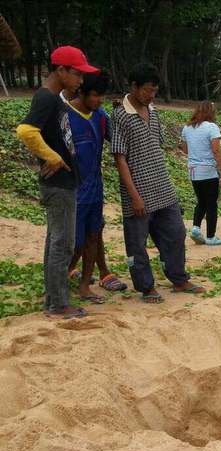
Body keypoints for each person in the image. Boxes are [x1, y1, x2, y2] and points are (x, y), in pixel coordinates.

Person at [111, 62, 205, 304]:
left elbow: (157, 147)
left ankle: (179, 278)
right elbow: (120, 159)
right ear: (134, 86)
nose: (151, 95)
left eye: (154, 91)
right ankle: (146, 287)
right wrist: (134, 195)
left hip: (162, 187)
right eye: (147, 90)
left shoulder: (152, 110)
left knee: (175, 233)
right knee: (137, 243)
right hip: (138, 191)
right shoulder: (120, 115)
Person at [16, 45, 98, 319]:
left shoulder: (56, 99)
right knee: (62, 244)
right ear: (60, 70)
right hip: (58, 185)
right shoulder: (46, 98)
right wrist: (51, 158)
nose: (80, 80)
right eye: (76, 74)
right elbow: (26, 130)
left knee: (58, 241)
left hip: (65, 183)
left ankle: (54, 299)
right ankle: (58, 304)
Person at [65, 72, 128, 303]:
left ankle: (85, 286)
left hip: (95, 188)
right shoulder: (65, 116)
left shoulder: (100, 116)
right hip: (73, 191)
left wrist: (120, 115)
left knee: (93, 236)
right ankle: (61, 278)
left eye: (102, 96)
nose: (99, 100)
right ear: (81, 92)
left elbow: (118, 140)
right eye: (95, 95)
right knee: (75, 242)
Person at [181, 101, 221, 246]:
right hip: (208, 170)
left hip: (193, 171)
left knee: (201, 200)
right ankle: (211, 236)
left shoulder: (187, 128)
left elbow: (185, 150)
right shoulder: (212, 127)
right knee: (212, 204)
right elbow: (216, 150)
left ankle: (195, 228)